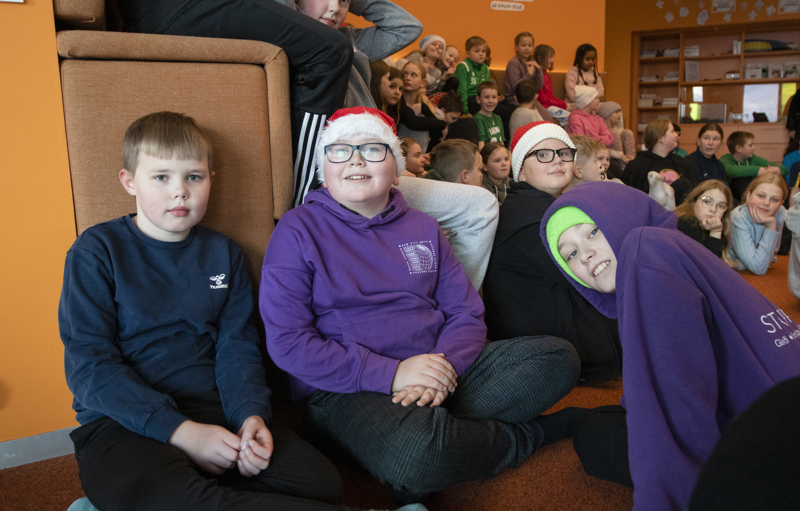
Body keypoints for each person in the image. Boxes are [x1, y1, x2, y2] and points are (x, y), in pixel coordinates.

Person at [259, 107, 581, 503]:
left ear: (396, 171)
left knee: (558, 356)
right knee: (417, 452)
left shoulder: (425, 227)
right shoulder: (297, 229)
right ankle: (529, 435)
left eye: (372, 149)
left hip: (437, 364)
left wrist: (442, 367)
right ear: (324, 170)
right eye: (340, 150)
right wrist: (394, 374)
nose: (356, 160)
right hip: (344, 388)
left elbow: (465, 313)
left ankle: (434, 435)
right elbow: (289, 343)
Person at [59, 112, 350, 511]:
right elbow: (89, 366)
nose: (180, 191)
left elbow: (237, 346)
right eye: (161, 177)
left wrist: (250, 416)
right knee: (163, 492)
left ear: (210, 179)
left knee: (320, 482)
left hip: (215, 410)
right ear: (129, 182)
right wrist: (181, 432)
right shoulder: (96, 250)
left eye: (193, 177)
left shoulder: (224, 253)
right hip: (123, 421)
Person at [540, 181, 800, 511]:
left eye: (592, 232)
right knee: (613, 417)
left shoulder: (643, 255)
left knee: (596, 435)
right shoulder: (666, 246)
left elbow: (679, 405)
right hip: (778, 403)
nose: (586, 254)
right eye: (571, 254)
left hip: (775, 445)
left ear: (620, 216)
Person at [483, 121, 622, 383]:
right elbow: (593, 280)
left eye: (564, 153)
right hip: (545, 340)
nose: (557, 160)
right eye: (543, 155)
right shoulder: (534, 217)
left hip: (537, 324)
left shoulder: (530, 204)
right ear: (521, 172)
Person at [622, 119, 697, 204]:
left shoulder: (682, 162)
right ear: (660, 138)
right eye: (672, 131)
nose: (676, 135)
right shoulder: (636, 166)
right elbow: (627, 196)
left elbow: (693, 192)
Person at [729, 173, 788, 275]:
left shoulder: (779, 211)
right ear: (748, 196)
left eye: (774, 199)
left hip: (747, 266)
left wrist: (737, 264)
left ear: (781, 204)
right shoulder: (738, 217)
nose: (766, 203)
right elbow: (759, 268)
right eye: (761, 196)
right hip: (734, 275)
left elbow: (771, 258)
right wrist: (771, 227)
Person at [674, 180, 734, 261]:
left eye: (720, 206)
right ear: (693, 202)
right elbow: (710, 266)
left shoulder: (705, 227)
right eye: (707, 201)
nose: (713, 209)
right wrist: (716, 232)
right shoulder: (688, 223)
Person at [721, 131, 788, 200]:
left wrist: (777, 170)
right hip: (733, 196)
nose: (754, 148)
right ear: (739, 148)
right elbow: (730, 170)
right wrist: (758, 171)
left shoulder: (754, 159)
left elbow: (784, 169)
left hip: (754, 193)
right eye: (750, 145)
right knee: (742, 178)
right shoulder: (726, 159)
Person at [398, 61, 447, 153]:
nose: (407, 78)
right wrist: (443, 124)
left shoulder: (421, 106)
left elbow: (437, 134)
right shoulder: (397, 101)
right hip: (398, 153)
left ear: (422, 83)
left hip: (419, 154)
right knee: (420, 120)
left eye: (413, 75)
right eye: (405, 74)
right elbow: (413, 122)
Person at [533, 44, 573, 123]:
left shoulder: (547, 76)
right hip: (544, 107)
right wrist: (563, 105)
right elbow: (542, 98)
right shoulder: (537, 75)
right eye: (550, 57)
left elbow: (551, 97)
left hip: (550, 106)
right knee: (572, 118)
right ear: (540, 58)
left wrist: (564, 104)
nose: (552, 60)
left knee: (576, 114)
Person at [504, 32, 544, 105]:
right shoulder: (514, 62)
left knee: (545, 113)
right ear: (517, 47)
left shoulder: (532, 62)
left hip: (530, 100)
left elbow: (539, 86)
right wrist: (529, 74)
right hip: (514, 100)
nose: (527, 48)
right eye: (523, 45)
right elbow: (516, 87)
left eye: (530, 45)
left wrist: (539, 70)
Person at [454, 36, 491, 115]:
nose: (481, 54)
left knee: (502, 110)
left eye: (483, 51)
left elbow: (487, 90)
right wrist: (465, 111)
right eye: (477, 51)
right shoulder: (463, 66)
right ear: (468, 54)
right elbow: (461, 91)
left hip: (481, 99)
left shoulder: (486, 68)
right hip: (468, 99)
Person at [597, 101, 635, 168]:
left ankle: (631, 162)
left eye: (619, 111)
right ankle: (622, 166)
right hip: (611, 158)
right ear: (607, 114)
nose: (619, 114)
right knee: (614, 132)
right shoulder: (601, 130)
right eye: (616, 112)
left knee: (628, 132)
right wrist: (620, 156)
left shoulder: (620, 130)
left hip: (621, 156)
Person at [370, 61, 403, 125]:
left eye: (401, 89)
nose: (397, 92)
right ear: (377, 80)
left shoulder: (394, 113)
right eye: (392, 86)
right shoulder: (372, 109)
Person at [474, 81, 505, 149]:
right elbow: (481, 146)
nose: (490, 101)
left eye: (494, 97)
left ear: (498, 99)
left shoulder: (498, 118)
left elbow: (501, 142)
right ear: (478, 99)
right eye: (486, 97)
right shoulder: (478, 119)